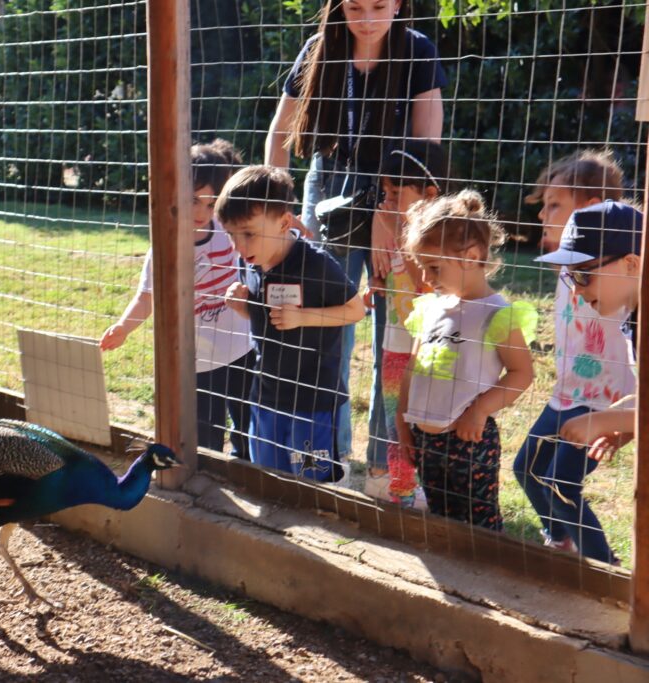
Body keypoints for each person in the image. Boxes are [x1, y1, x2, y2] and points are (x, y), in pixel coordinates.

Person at [265, 0, 447, 494]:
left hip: (399, 195)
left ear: (399, 5)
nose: (367, 18)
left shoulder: (418, 51)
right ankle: (331, 458)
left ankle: (386, 467)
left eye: (379, 6)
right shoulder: (317, 49)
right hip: (329, 191)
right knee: (329, 328)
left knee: (395, 337)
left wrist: (394, 214)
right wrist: (283, 205)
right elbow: (280, 132)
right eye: (356, 7)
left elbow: (425, 149)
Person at [511, 152, 635, 562]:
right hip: (567, 395)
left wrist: (616, 419)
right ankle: (560, 542)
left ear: (591, 206)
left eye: (554, 205)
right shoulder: (581, 271)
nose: (544, 215)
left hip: (603, 400)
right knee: (527, 470)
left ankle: (604, 567)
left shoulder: (617, 277)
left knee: (561, 483)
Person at [100, 139, 255, 458]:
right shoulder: (165, 246)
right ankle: (210, 486)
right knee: (206, 436)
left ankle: (249, 479)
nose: (202, 211)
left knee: (249, 428)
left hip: (242, 350)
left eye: (211, 203)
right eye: (194, 200)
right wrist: (123, 327)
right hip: (198, 361)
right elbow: (147, 297)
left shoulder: (231, 231)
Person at [396, 190, 536, 530]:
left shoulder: (497, 313)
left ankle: (488, 580)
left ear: (471, 256)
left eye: (433, 267)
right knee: (441, 515)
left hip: (468, 439)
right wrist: (403, 422)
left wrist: (479, 411)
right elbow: (413, 368)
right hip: (424, 437)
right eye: (421, 267)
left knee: (479, 522)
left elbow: (522, 373)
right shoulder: (430, 308)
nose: (426, 278)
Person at [219, 165, 365, 481]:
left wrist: (304, 317)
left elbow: (355, 311)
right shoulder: (253, 264)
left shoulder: (316, 264)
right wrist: (243, 307)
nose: (239, 247)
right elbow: (269, 321)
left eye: (248, 233)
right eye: (231, 235)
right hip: (265, 397)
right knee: (268, 478)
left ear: (285, 222)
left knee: (311, 483)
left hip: (311, 402)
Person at [364, 141, 447, 506]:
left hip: (427, 355)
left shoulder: (434, 241)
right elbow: (394, 280)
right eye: (385, 192)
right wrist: (377, 284)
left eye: (397, 192)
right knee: (393, 425)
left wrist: (398, 229)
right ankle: (400, 493)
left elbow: (425, 285)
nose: (388, 200)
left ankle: (434, 492)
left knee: (422, 426)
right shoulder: (395, 230)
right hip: (393, 346)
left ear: (429, 194)